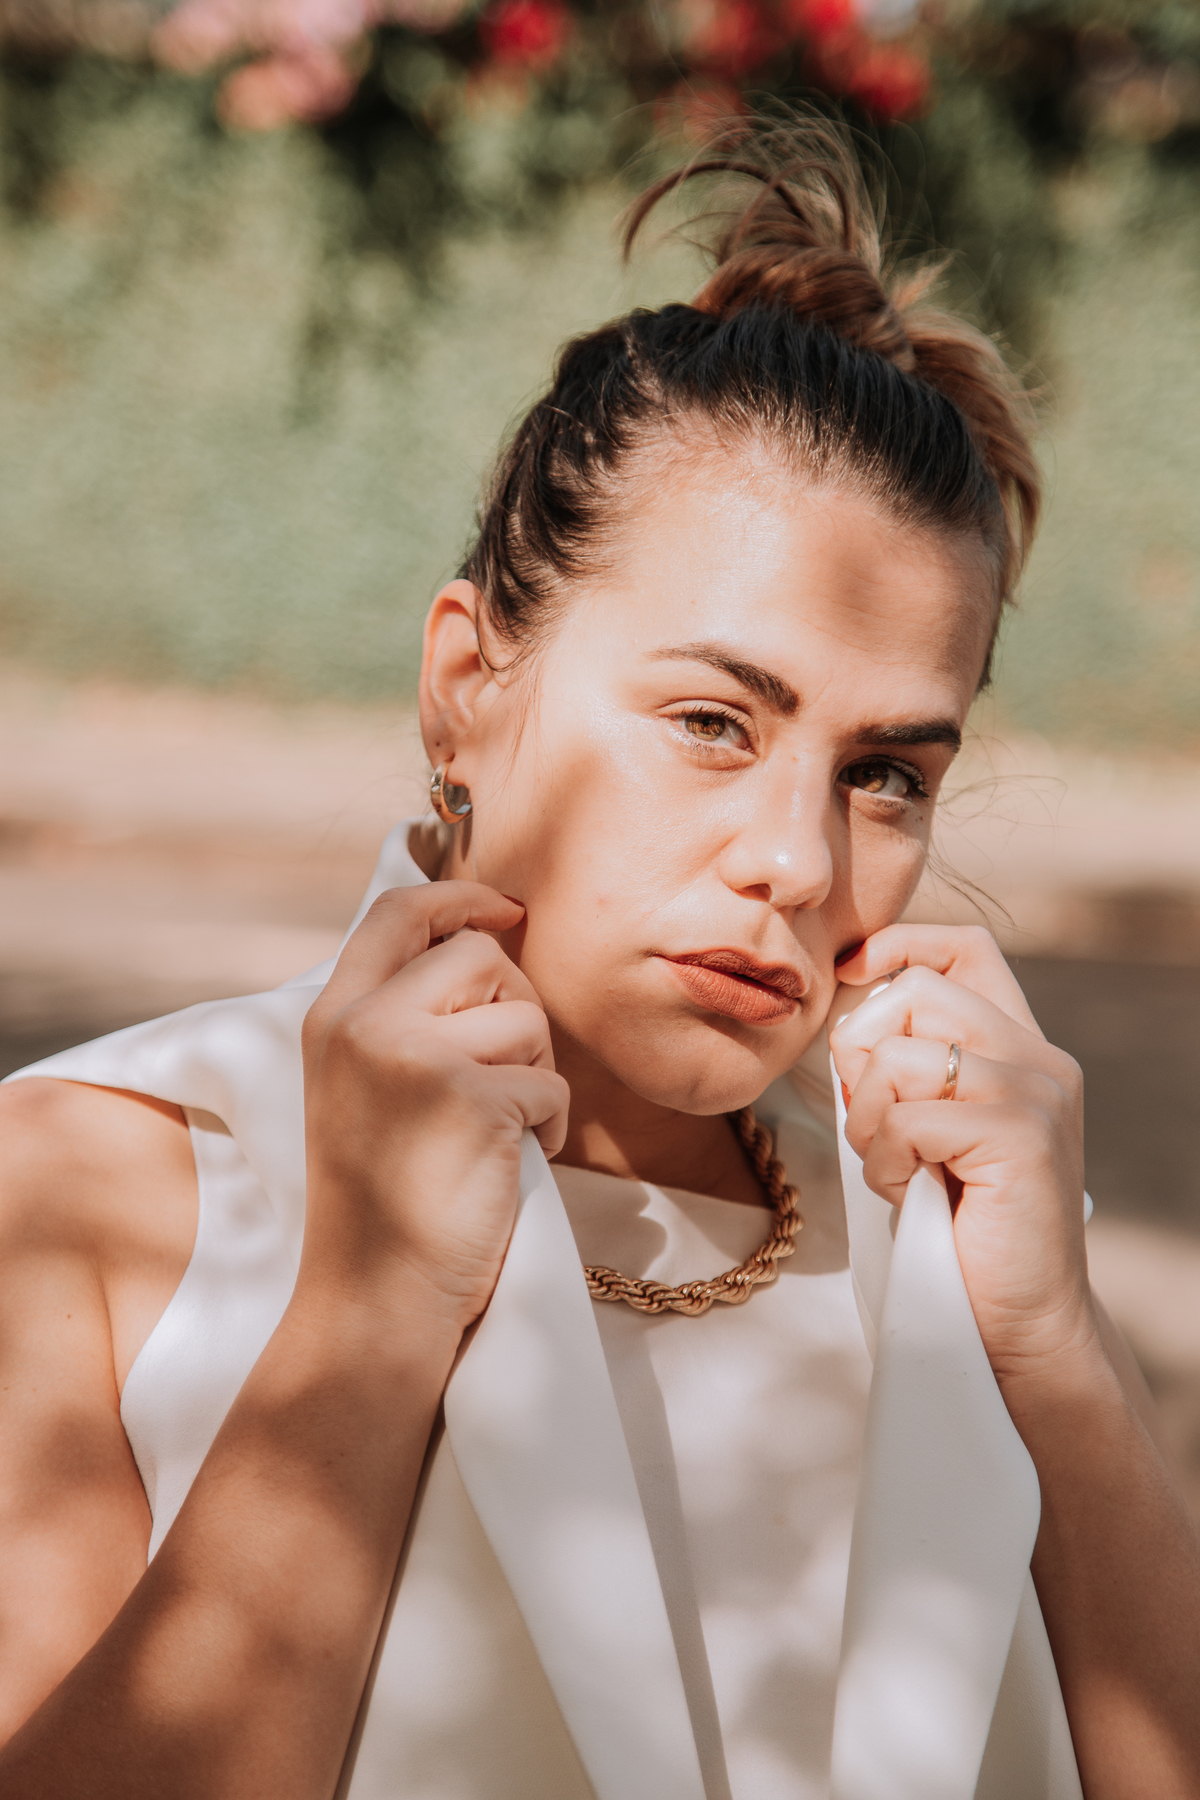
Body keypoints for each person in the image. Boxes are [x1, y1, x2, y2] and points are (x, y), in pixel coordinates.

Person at [0, 122, 1197, 1800]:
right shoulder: (105, 1178)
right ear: (467, 683)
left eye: (885, 776)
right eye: (714, 721)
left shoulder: (953, 1243)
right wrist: (368, 1313)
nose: (793, 858)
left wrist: (1057, 1357)